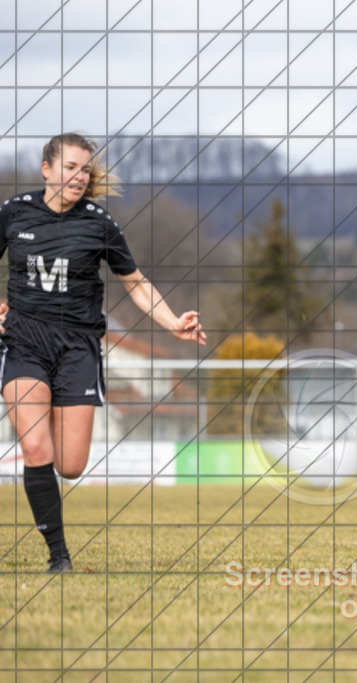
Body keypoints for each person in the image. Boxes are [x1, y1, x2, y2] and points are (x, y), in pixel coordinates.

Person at [0, 133, 207, 573]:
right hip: (24, 343)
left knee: (71, 465)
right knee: (36, 447)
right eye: (71, 167)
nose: (80, 176)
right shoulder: (14, 213)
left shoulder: (98, 223)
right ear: (47, 169)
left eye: (85, 169)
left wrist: (172, 322)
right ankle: (59, 556)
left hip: (78, 349)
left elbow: (135, 283)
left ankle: (50, 479)